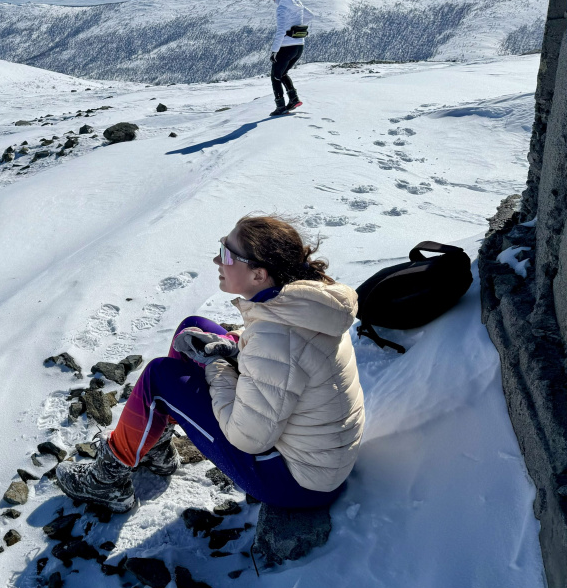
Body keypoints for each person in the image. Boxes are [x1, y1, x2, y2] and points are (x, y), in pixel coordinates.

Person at [56, 215, 364, 513]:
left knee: (159, 378)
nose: (218, 261)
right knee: (194, 326)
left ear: (259, 274)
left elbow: (249, 437)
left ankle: (105, 478)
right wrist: (232, 345)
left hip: (294, 484)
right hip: (318, 463)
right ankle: (154, 446)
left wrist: (217, 366)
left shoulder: (277, 337)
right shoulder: (305, 303)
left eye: (227, 255)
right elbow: (281, 356)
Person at [269, 0, 311, 116]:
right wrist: (296, 27)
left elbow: (281, 31)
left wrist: (274, 50)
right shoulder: (298, 5)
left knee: (275, 76)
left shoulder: (282, 8)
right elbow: (311, 16)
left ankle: (280, 107)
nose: (274, 1)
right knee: (282, 74)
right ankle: (293, 100)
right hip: (299, 46)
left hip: (286, 47)